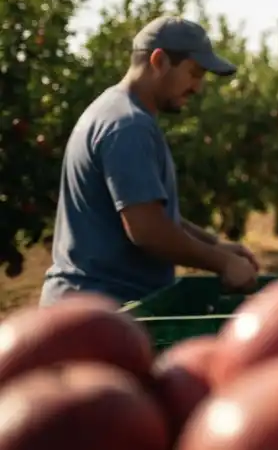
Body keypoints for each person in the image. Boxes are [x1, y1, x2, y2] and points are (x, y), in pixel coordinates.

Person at [41, 16, 261, 306]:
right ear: (159, 61)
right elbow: (148, 230)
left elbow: (153, 212)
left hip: (98, 306)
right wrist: (223, 263)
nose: (198, 87)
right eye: (194, 73)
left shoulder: (117, 111)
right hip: (99, 312)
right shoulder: (128, 125)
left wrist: (215, 245)